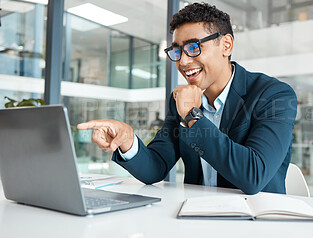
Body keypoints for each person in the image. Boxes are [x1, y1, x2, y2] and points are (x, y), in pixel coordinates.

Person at [77, 3, 297, 195]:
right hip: (196, 217)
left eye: (193, 47)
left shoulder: (272, 95)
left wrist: (193, 116)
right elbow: (157, 167)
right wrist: (128, 142)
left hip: (257, 222)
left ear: (226, 45)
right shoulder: (180, 101)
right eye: (177, 51)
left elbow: (253, 175)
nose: (182, 62)